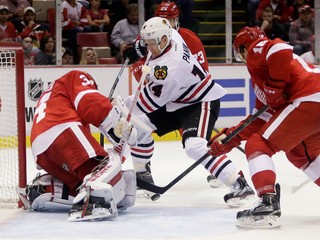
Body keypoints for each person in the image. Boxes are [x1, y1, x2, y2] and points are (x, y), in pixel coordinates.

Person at [120, 16, 255, 207]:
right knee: (138, 125)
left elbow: (148, 103)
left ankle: (239, 184)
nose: (149, 47)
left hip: (200, 101)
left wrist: (119, 107)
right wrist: (138, 48)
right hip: (176, 100)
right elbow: (150, 43)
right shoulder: (171, 34)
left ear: (164, 40)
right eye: (147, 43)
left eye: (151, 44)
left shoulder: (169, 68)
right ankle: (143, 176)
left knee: (195, 146)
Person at [209, 26, 320, 228]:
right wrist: (229, 138)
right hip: (312, 101)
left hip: (310, 96)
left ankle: (267, 203)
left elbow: (281, 48)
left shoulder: (255, 51)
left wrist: (275, 86)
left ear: (242, 49)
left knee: (258, 145)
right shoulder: (260, 79)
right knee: (300, 153)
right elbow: (261, 118)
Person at [21, 70, 138, 221]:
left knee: (84, 182)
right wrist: (116, 123)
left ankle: (46, 188)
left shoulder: (53, 92)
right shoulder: (76, 76)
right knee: (104, 166)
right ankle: (92, 205)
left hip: (41, 150)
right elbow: (88, 100)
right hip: (62, 128)